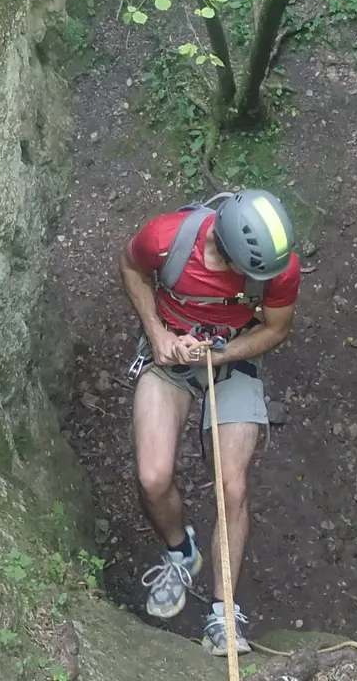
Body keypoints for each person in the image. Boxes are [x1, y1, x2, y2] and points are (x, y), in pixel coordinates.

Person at [117, 188, 300, 656]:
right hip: (170, 359)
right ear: (225, 250)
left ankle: (223, 613)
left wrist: (222, 354)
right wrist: (159, 334)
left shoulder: (278, 267)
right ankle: (182, 553)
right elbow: (132, 267)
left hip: (230, 360)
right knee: (153, 477)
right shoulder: (166, 238)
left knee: (232, 487)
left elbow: (276, 328)